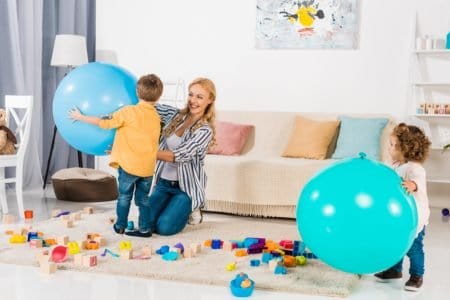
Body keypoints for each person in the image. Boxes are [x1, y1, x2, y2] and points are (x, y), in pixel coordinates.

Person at [69, 74, 163, 238]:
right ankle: (145, 229)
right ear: (158, 96)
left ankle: (120, 226)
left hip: (129, 166)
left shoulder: (129, 111)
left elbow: (104, 123)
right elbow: (142, 138)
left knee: (125, 197)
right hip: (147, 168)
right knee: (143, 200)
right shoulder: (156, 116)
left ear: (137, 92)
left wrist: (80, 117)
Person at [126, 77, 216, 237]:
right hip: (163, 184)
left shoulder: (205, 131)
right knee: (145, 224)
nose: (193, 101)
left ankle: (192, 209)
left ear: (210, 100)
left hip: (184, 189)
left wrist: (140, 151)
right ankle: (170, 208)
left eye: (199, 97)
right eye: (191, 94)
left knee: (164, 228)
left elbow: (179, 156)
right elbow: (145, 106)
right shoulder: (174, 115)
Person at [375, 123, 431, 291]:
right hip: (398, 217)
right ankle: (395, 270)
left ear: (406, 148)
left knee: (413, 248)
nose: (389, 148)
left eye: (393, 145)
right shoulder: (394, 164)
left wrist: (413, 184)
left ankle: (416, 275)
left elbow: (418, 182)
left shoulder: (415, 168)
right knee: (396, 244)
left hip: (415, 218)